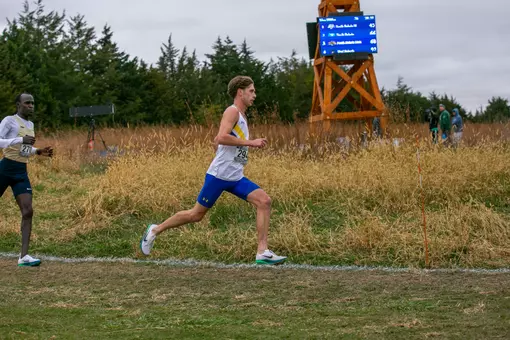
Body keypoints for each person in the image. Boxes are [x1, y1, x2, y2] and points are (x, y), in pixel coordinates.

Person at [140, 76, 287, 265]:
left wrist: (220, 147)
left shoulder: (241, 116)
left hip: (235, 177)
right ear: (240, 92)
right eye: (251, 91)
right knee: (196, 215)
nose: (254, 95)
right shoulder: (232, 111)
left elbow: (218, 140)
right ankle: (155, 230)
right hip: (219, 176)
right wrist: (251, 142)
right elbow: (222, 136)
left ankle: (262, 252)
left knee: (264, 201)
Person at [0, 93, 53, 267]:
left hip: (21, 171)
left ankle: (24, 257)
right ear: (18, 105)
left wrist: (37, 151)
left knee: (28, 211)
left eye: (32, 103)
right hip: (5, 168)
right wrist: (20, 139)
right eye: (27, 103)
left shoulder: (30, 125)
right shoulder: (9, 121)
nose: (31, 105)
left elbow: (23, 150)